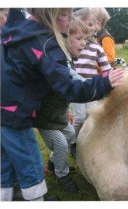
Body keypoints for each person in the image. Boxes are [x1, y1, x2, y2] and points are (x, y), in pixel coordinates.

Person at [1, 8, 124, 201]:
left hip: (5, 109)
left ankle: (7, 195)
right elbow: (69, 85)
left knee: (5, 161)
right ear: (53, 15)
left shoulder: (19, 32)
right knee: (30, 162)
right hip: (18, 115)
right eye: (66, 14)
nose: (70, 19)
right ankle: (39, 196)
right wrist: (103, 83)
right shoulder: (45, 44)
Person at [33, 16, 91, 193]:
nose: (83, 44)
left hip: (58, 116)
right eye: (79, 39)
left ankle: (53, 163)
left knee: (70, 134)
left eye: (86, 39)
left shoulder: (66, 57)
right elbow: (73, 77)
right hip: (45, 118)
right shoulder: (58, 60)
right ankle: (62, 176)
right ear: (63, 38)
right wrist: (95, 86)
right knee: (61, 144)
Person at [69, 8, 113, 159]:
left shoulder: (97, 48)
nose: (89, 28)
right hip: (76, 88)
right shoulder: (71, 46)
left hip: (93, 87)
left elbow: (106, 68)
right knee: (79, 118)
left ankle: (89, 144)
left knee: (92, 117)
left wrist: (111, 79)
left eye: (92, 24)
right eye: (86, 24)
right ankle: (73, 142)